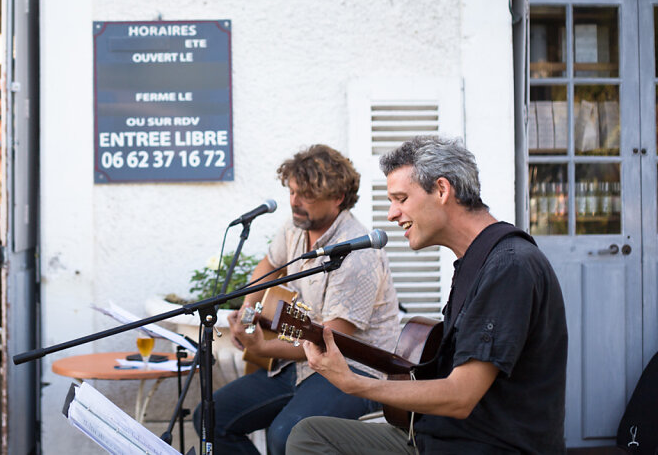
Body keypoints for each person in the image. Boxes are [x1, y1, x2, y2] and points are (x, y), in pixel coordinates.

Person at [287, 135, 567, 454]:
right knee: (309, 434)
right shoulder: (475, 261)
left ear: (442, 190)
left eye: (401, 198)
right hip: (438, 436)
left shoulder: (509, 266)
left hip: (485, 447)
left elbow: (461, 396)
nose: (392, 214)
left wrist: (354, 383)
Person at [193, 144, 401, 455]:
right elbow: (268, 265)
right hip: (301, 363)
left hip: (352, 369)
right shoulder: (296, 226)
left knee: (287, 435)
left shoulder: (358, 255)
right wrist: (247, 313)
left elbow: (330, 338)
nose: (294, 202)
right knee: (211, 418)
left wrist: (263, 346)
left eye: (306, 195)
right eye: (291, 191)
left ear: (337, 198)